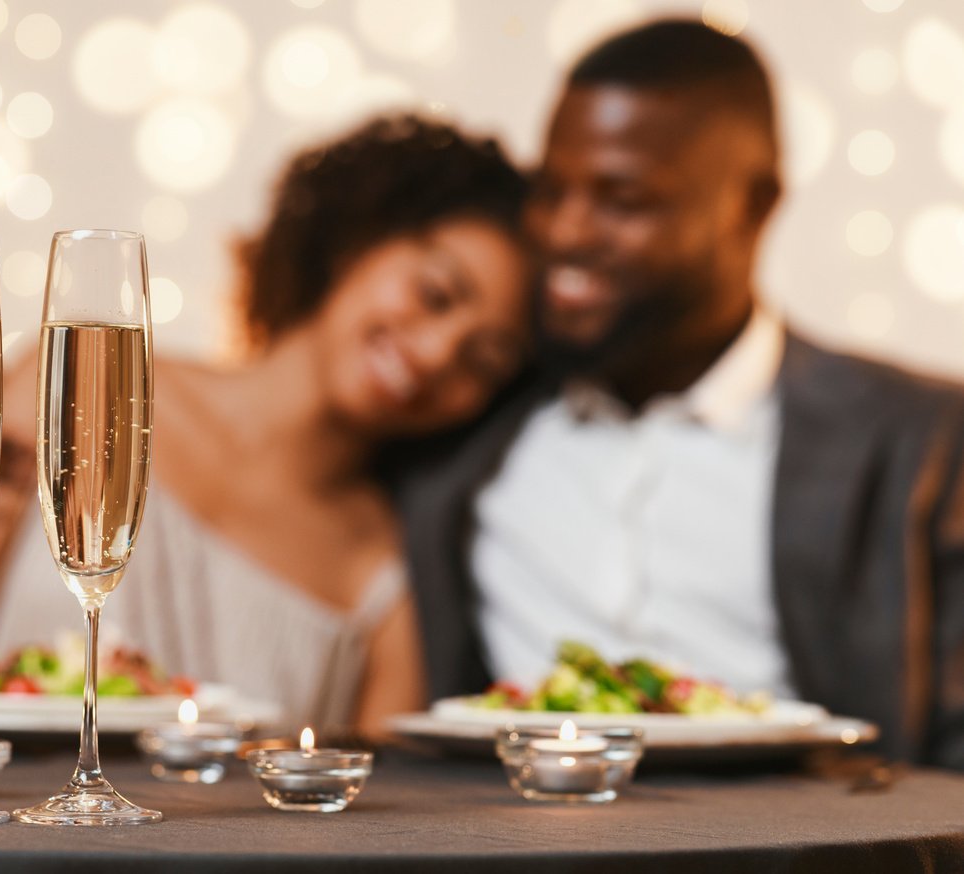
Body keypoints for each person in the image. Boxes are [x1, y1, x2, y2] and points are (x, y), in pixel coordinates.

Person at [396, 20, 964, 768]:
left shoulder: (917, 438)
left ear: (752, 207)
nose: (564, 232)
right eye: (551, 189)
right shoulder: (467, 412)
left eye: (621, 199)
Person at [0, 114, 534, 735]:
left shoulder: (384, 578)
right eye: (435, 294)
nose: (437, 353)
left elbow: (383, 829)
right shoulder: (72, 390)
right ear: (358, 238)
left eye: (483, 360)